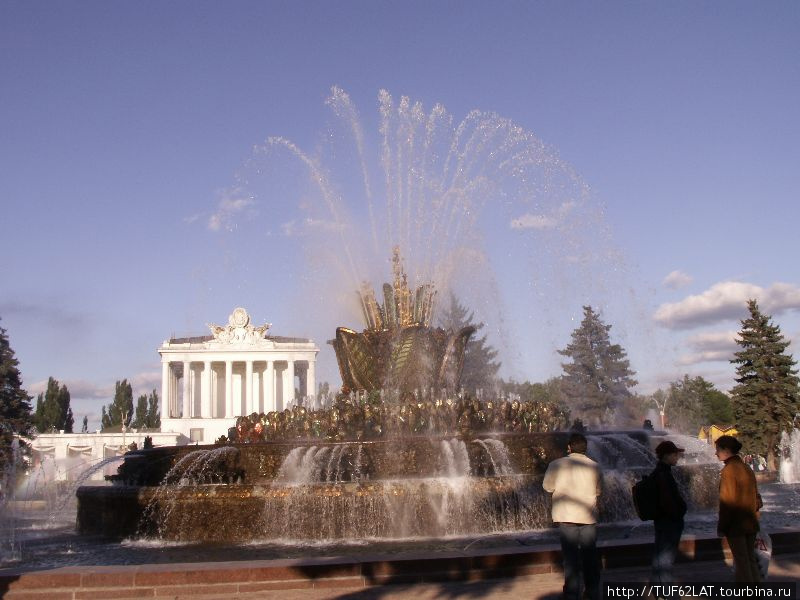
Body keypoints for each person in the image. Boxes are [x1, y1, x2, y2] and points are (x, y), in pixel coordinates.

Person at [543, 433, 602, 600]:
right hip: (588, 517)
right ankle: (592, 591)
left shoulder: (556, 465)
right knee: (590, 556)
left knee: (570, 558)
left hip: (566, 516)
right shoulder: (594, 466)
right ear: (585, 448)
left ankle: (571, 593)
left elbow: (547, 487)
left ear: (569, 447)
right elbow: (599, 491)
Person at [715, 435, 761, 582]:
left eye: (717, 450)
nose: (715, 453)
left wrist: (722, 526)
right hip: (751, 522)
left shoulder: (728, 471)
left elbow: (727, 502)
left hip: (736, 525)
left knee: (742, 563)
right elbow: (757, 498)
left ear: (726, 450)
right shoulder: (746, 468)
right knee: (750, 560)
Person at [650, 440, 687, 586]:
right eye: (675, 454)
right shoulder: (663, 474)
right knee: (665, 557)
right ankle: (666, 590)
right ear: (666, 455)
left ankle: (658, 588)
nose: (677, 457)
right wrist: (678, 514)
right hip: (669, 522)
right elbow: (667, 500)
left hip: (663, 520)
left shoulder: (660, 472)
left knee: (660, 555)